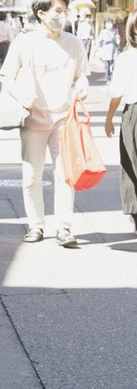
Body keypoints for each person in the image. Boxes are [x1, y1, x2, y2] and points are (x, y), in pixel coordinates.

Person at [0, 0, 88, 247]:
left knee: (64, 176)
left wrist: (82, 87)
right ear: (41, 14)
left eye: (64, 11)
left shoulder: (74, 43)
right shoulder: (24, 42)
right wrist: (20, 94)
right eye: (58, 11)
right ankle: (36, 224)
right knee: (31, 177)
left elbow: (82, 76)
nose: (63, 15)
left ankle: (64, 228)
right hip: (33, 119)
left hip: (64, 119)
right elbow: (5, 74)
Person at [104, 11, 137, 235]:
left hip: (133, 114)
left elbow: (117, 93)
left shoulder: (127, 57)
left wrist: (109, 119)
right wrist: (109, 119)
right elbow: (117, 93)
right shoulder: (127, 57)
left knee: (133, 166)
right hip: (133, 112)